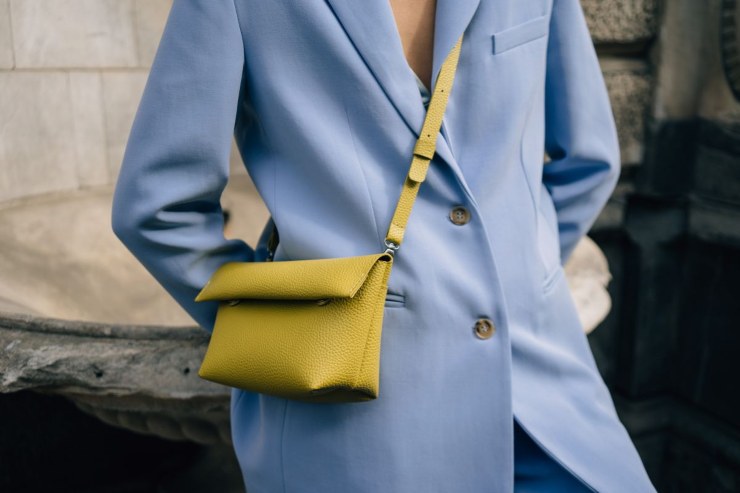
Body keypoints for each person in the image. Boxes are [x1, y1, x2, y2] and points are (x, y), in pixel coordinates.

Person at [111, 0, 657, 491]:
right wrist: (273, 322)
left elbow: (588, 159)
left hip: (546, 403)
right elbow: (157, 208)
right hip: (356, 425)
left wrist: (518, 272)